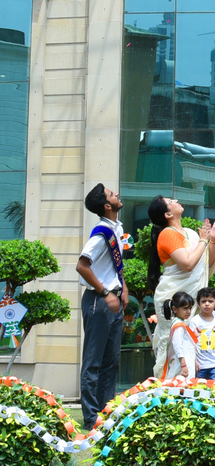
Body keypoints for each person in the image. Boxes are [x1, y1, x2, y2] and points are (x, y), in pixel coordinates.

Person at [146, 196, 215, 379]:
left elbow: (207, 263)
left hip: (191, 300)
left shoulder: (191, 233)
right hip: (174, 299)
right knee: (175, 347)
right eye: (170, 200)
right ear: (167, 213)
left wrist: (211, 240)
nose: (176, 199)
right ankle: (169, 392)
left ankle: (186, 394)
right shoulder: (167, 233)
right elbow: (187, 264)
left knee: (191, 351)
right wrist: (204, 241)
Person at [76, 183, 129, 430]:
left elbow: (111, 267)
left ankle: (106, 412)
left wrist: (123, 287)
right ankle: (90, 417)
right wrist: (106, 292)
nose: (116, 194)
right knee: (94, 361)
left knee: (111, 360)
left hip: (113, 299)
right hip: (100, 301)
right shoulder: (101, 233)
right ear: (107, 206)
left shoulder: (115, 228)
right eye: (111, 194)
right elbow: (82, 266)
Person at [190, 286, 215, 383]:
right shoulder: (194, 321)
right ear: (199, 304)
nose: (207, 304)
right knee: (199, 390)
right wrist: (194, 361)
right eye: (203, 301)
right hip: (200, 365)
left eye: (210, 301)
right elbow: (191, 342)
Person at [160, 290, 196, 380]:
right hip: (182, 365)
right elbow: (178, 346)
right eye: (185, 308)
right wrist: (183, 364)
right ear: (175, 309)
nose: (188, 311)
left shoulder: (181, 323)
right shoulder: (178, 326)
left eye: (190, 308)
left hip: (184, 364)